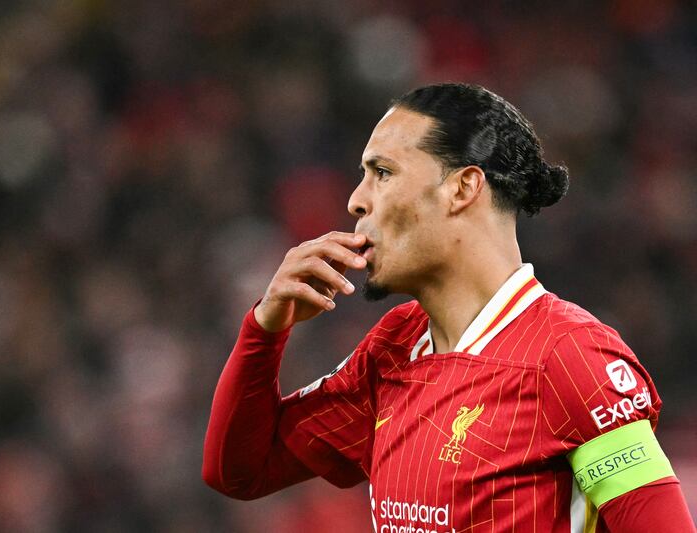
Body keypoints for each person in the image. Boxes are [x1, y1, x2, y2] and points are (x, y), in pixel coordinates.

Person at [203, 84, 695, 532]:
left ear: (462, 187)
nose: (356, 200)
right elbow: (241, 472)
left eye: (382, 173)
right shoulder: (394, 348)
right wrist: (265, 329)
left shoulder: (571, 359)